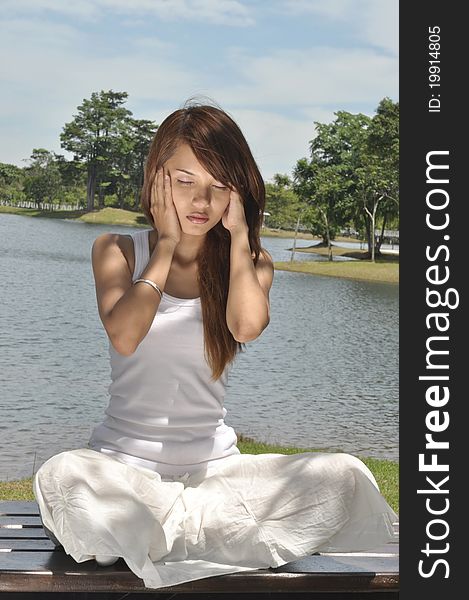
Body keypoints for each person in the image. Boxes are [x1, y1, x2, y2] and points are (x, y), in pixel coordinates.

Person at [33, 99, 398, 590]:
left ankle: (165, 537)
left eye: (219, 187)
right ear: (157, 179)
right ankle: (206, 535)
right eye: (184, 182)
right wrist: (164, 245)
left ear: (238, 192)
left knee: (346, 475)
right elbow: (124, 334)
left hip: (216, 476)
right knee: (64, 478)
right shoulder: (117, 250)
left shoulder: (252, 264)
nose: (200, 202)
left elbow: (245, 327)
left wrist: (242, 235)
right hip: (125, 472)